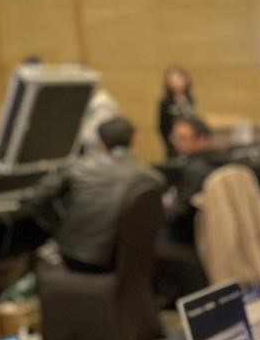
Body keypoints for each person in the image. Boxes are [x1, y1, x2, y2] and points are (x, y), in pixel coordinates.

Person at [27, 117, 164, 274]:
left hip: (73, 258)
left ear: (100, 143)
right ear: (135, 140)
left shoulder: (77, 168)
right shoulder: (152, 178)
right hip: (124, 264)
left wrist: (60, 226)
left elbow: (37, 198)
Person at [162, 115, 223, 247]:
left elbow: (178, 215)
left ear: (203, 140)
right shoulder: (221, 161)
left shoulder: (194, 171)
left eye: (183, 139)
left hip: (189, 239)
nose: (176, 143)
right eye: (175, 138)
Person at [157, 65, 195, 156]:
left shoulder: (190, 100)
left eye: (179, 78)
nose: (176, 82)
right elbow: (162, 126)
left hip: (191, 143)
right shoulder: (166, 102)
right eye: (172, 79)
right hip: (173, 143)